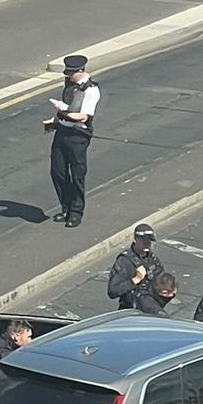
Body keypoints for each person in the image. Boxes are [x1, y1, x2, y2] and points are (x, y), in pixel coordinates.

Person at [45, 52, 99, 225]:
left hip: (78, 136)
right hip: (62, 132)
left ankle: (76, 211)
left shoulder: (91, 90)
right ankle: (65, 207)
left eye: (72, 73)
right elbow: (67, 105)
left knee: (77, 174)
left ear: (81, 71)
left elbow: (83, 117)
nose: (69, 76)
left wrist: (63, 113)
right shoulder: (70, 85)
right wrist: (55, 120)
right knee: (57, 171)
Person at [107, 223, 161, 308]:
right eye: (143, 241)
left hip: (151, 307)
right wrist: (136, 279)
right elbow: (113, 291)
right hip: (130, 308)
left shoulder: (153, 260)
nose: (147, 243)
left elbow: (161, 282)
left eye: (149, 241)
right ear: (135, 239)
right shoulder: (125, 261)